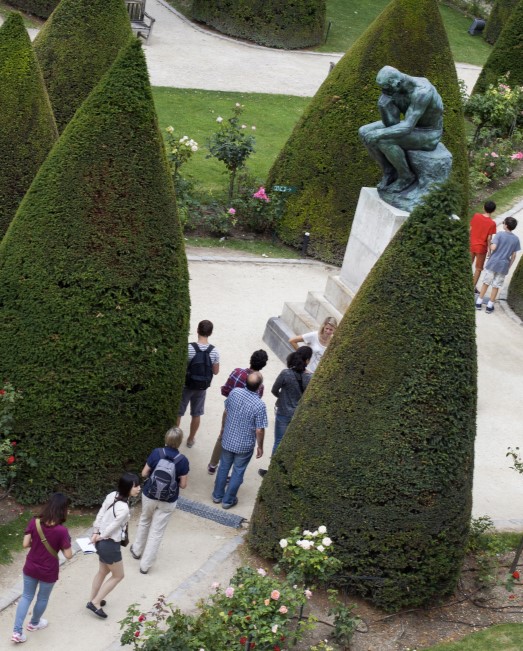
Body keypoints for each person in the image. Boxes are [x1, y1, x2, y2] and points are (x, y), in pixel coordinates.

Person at [359, 66, 444, 193]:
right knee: (363, 131)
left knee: (384, 140)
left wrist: (379, 134)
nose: (384, 91)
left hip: (428, 133)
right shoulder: (397, 90)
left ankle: (406, 176)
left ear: (397, 83)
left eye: (386, 88)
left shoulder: (422, 92)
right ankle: (389, 171)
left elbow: (407, 127)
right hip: (410, 126)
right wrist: (383, 106)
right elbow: (392, 124)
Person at [11, 493, 72, 644]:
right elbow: (69, 555)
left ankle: (17, 632)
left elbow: (25, 544)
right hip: (48, 570)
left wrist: (37, 542)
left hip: (31, 567)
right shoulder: (61, 531)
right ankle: (34, 623)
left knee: (26, 596)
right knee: (42, 598)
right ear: (63, 510)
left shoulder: (35, 522)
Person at [130, 427, 189, 574]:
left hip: (150, 494)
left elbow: (144, 473)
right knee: (157, 532)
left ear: (166, 439)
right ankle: (145, 566)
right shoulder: (183, 461)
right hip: (168, 500)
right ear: (180, 442)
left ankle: (137, 550)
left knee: (144, 520)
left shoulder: (157, 453)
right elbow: (183, 485)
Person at [86, 472, 141, 619]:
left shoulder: (112, 495)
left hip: (101, 543)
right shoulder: (123, 508)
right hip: (109, 544)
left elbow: (101, 513)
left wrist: (95, 532)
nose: (139, 489)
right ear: (128, 488)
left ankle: (93, 598)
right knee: (118, 575)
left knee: (102, 572)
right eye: (136, 486)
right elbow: (113, 527)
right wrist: (101, 535)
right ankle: (95, 602)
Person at [207, 349, 268, 475]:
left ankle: (213, 465)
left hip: (230, 410)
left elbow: (225, 390)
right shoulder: (260, 385)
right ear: (263, 365)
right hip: (245, 416)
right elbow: (256, 402)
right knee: (239, 443)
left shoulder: (237, 372)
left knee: (222, 435)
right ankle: (229, 473)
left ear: (251, 359)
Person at [212, 372, 268, 509]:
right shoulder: (259, 405)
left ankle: (217, 495)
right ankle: (228, 500)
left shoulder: (235, 392)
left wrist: (223, 428)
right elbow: (259, 430)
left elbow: (226, 412)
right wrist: (260, 446)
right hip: (244, 445)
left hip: (228, 439)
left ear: (245, 382)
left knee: (223, 467)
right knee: (238, 472)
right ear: (259, 387)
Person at [258, 347, 312, 477]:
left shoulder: (286, 373)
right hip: (298, 414)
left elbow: (274, 390)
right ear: (308, 360)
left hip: (283, 412)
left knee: (278, 441)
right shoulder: (310, 377)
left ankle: (271, 472)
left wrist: (282, 397)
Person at [177, 319, 220, 448]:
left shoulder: (189, 348)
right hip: (201, 387)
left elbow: (182, 366)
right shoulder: (214, 351)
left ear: (197, 330)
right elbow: (216, 371)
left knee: (179, 412)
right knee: (196, 413)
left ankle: (175, 439)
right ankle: (190, 439)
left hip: (187, 384)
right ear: (210, 333)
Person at [476, 216, 520, 314]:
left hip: (493, 263)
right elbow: (513, 255)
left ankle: (479, 302)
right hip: (503, 265)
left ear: (506, 225)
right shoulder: (516, 239)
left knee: (486, 282)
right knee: (496, 285)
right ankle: (489, 305)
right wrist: (509, 266)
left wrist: (489, 244)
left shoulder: (499, 235)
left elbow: (493, 247)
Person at [470, 200, 497, 291]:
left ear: (483, 207)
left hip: (471, 245)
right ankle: (472, 287)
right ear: (493, 211)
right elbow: (489, 238)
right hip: (481, 248)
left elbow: (470, 229)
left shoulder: (476, 216)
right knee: (478, 268)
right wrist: (489, 250)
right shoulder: (492, 223)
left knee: (468, 264)